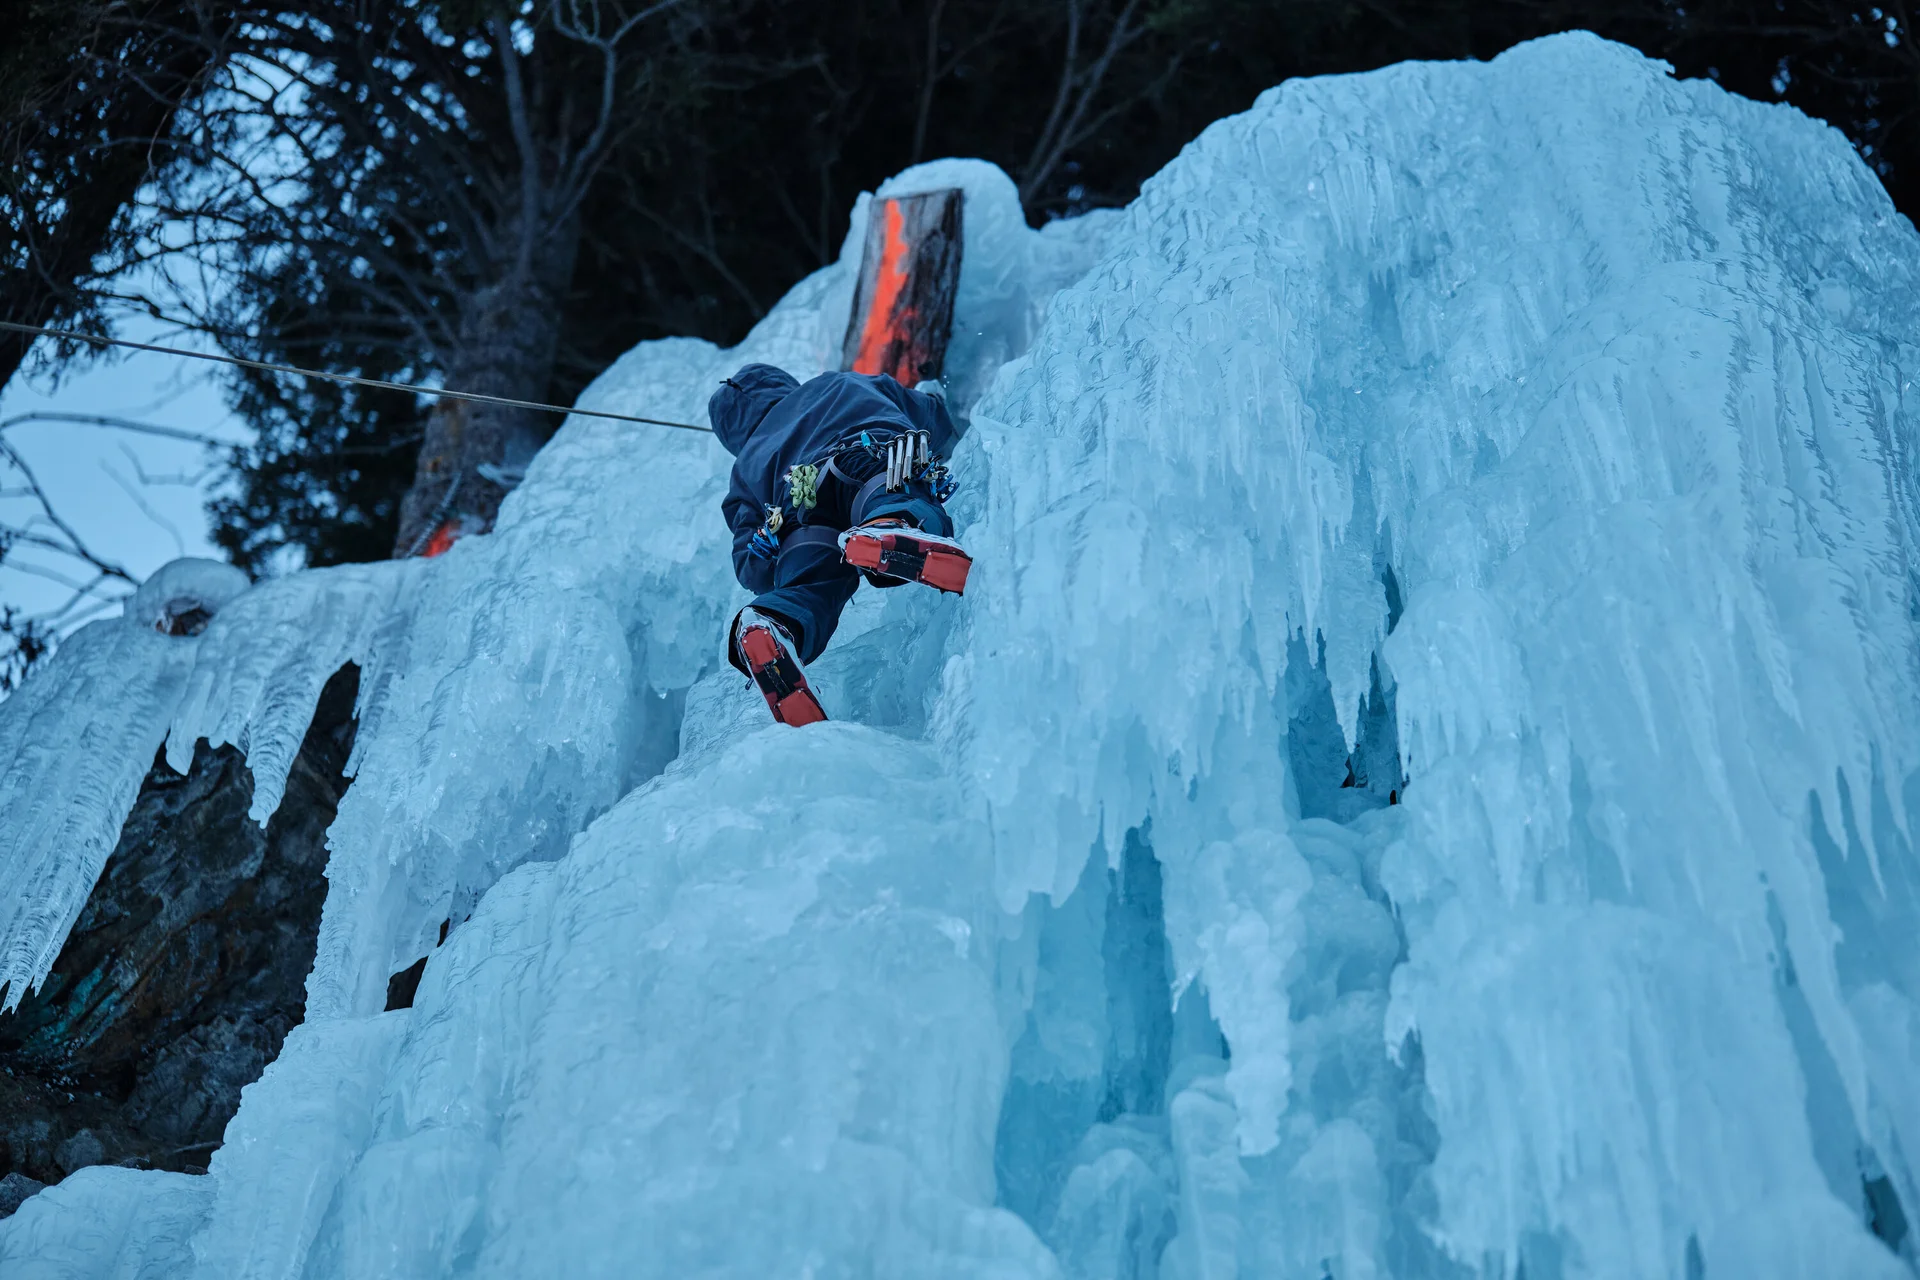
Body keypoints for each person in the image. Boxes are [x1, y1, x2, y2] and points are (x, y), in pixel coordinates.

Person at [709, 363, 973, 725]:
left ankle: (775, 623)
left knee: (808, 582)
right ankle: (888, 527)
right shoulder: (839, 382)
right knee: (887, 490)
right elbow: (928, 414)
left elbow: (749, 560)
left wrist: (767, 561)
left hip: (796, 513)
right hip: (862, 457)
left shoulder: (744, 468)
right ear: (783, 384)